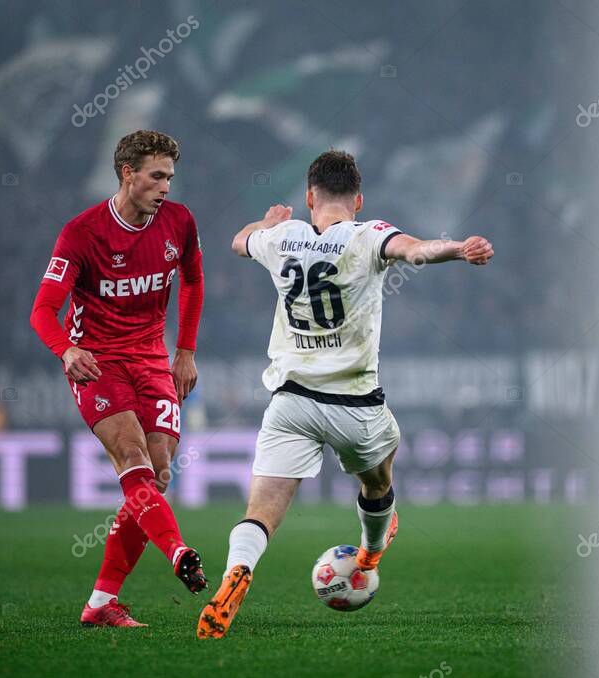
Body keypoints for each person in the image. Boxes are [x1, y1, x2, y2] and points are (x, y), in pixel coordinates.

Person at [196, 149, 493, 639]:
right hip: (355, 405)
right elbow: (416, 250)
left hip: (290, 402)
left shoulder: (282, 236)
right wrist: (461, 247)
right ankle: (369, 554)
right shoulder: (367, 234)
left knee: (261, 510)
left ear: (309, 196)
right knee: (380, 478)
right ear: (358, 199)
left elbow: (238, 241)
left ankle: (236, 576)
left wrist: (266, 220)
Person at [30, 130, 207, 627]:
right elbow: (43, 309)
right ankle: (177, 552)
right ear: (128, 174)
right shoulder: (82, 233)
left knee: (157, 474)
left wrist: (185, 351)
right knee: (132, 458)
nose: (166, 187)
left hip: (153, 359)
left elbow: (193, 279)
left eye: (170, 177)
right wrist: (66, 350)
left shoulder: (179, 222)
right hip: (97, 362)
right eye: (156, 176)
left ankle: (101, 604)